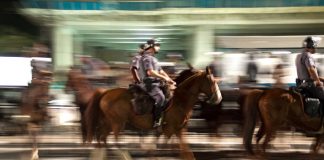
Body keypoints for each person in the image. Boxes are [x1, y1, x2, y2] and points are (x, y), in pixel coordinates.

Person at [139, 39, 176, 128]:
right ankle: (156, 121)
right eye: (157, 45)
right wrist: (164, 78)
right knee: (161, 98)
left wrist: (169, 79)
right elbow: (150, 72)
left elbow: (161, 71)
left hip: (156, 83)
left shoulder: (153, 58)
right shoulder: (146, 58)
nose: (159, 47)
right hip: (149, 84)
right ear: (151, 47)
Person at [295, 36, 324, 101]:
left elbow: (306, 74)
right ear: (312, 46)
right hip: (309, 85)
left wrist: (320, 79)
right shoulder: (308, 55)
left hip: (301, 85)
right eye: (315, 46)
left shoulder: (298, 56)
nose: (316, 48)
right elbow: (311, 70)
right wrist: (318, 82)